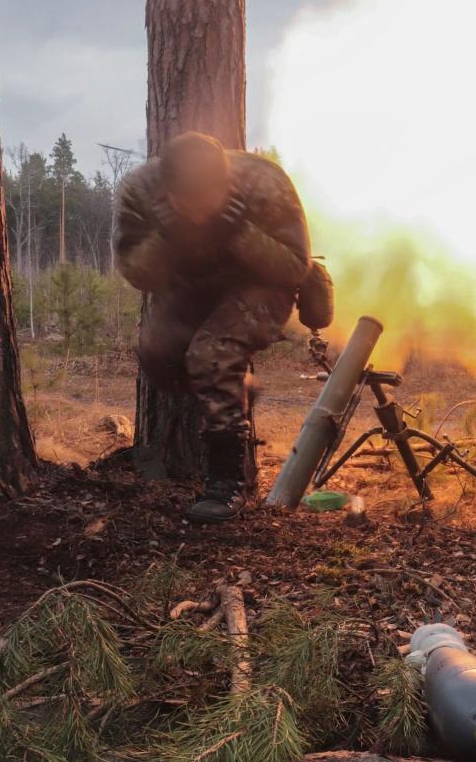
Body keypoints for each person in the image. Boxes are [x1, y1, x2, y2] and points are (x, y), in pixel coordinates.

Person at [114, 131, 331, 524]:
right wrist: (166, 237)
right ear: (168, 191)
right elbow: (137, 273)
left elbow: (294, 266)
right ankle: (237, 389)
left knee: (211, 355)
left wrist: (236, 232)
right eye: (187, 205)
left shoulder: (264, 182)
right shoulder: (141, 191)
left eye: (206, 203)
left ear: (227, 183)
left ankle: (227, 483)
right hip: (190, 285)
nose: (198, 214)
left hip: (263, 283)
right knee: (158, 357)